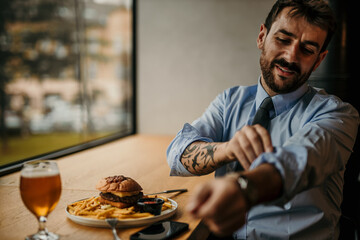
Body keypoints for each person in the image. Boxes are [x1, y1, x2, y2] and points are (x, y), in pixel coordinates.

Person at [166, 0, 359, 239]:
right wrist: (228, 149)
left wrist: (243, 189)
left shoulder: (337, 114)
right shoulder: (230, 101)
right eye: (283, 39)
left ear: (319, 60)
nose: (291, 56)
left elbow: (296, 161)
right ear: (262, 37)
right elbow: (177, 153)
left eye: (307, 49)